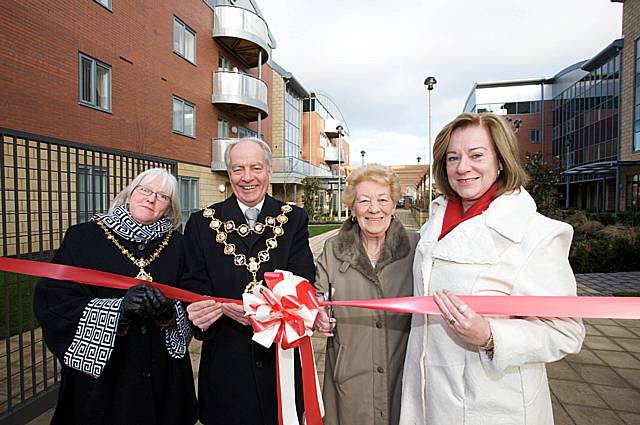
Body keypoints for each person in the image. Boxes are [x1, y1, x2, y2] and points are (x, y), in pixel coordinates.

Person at [399, 112, 585, 425]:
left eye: (476, 155)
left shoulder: (535, 234)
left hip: (491, 406)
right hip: (428, 399)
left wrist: (491, 336)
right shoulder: (435, 222)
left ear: (500, 161)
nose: (462, 167)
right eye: (453, 157)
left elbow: (567, 331)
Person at [33, 168, 197, 425]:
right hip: (103, 385)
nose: (151, 199)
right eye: (145, 190)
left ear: (168, 207)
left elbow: (192, 299)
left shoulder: (179, 245)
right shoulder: (83, 237)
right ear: (130, 193)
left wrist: (169, 313)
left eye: (162, 196)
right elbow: (53, 300)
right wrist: (115, 312)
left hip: (163, 378)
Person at [182, 137, 315, 425]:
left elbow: (303, 277)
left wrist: (259, 310)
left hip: (280, 364)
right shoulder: (201, 223)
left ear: (268, 170)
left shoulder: (293, 219)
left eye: (255, 168)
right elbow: (192, 282)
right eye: (237, 169)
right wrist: (206, 307)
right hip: (225, 364)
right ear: (228, 174)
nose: (247, 177)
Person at [314, 165, 418, 425]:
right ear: (352, 208)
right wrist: (318, 315)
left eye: (383, 200)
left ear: (394, 205)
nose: (374, 209)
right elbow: (317, 299)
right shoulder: (333, 249)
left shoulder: (416, 247)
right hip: (350, 377)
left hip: (402, 376)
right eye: (364, 200)